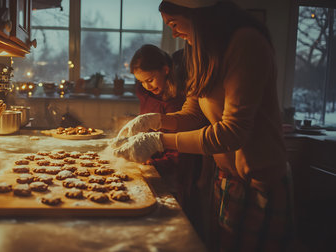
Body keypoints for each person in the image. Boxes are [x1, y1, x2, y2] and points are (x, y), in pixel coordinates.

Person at [111, 0, 295, 251]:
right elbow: (193, 115)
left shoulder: (246, 44)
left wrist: (159, 140)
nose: (174, 32)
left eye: (174, 23)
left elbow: (233, 133)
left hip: (259, 181)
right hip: (226, 178)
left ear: (199, 15)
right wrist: (156, 121)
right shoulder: (201, 52)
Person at [130, 44, 202, 215]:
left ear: (165, 70)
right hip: (153, 164)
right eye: (142, 82)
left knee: (170, 211)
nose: (147, 86)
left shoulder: (178, 102)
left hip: (175, 171)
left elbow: (180, 147)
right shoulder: (147, 94)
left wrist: (154, 164)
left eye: (150, 79)